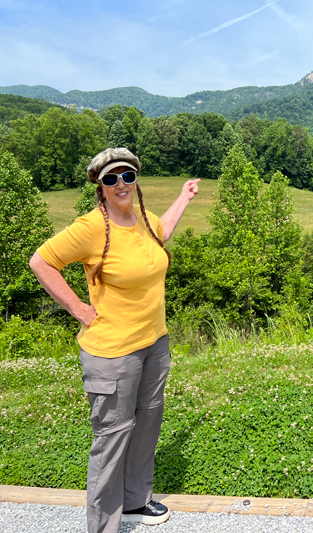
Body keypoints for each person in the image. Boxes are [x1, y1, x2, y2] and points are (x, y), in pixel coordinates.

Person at [29, 148, 200, 533]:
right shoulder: (91, 227)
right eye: (111, 179)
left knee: (146, 423)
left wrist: (184, 198)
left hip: (154, 342)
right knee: (112, 437)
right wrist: (79, 309)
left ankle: (136, 502)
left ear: (135, 179)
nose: (120, 184)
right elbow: (42, 261)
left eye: (126, 176)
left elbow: (164, 231)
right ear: (100, 187)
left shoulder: (141, 219)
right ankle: (103, 526)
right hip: (112, 353)